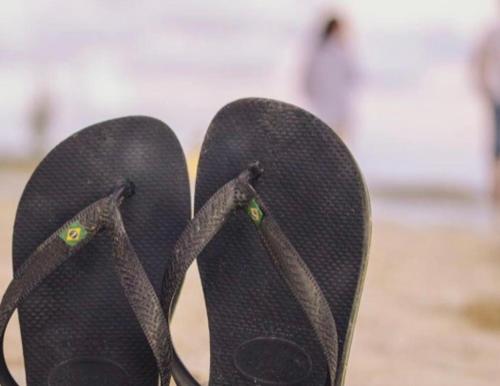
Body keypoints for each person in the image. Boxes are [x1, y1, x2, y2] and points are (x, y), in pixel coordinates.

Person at [304, 15, 358, 141]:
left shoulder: (342, 50)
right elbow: (308, 78)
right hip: (325, 103)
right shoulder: (320, 51)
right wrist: (313, 95)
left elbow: (353, 75)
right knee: (328, 140)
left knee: (340, 141)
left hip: (338, 103)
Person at [474, 11, 500, 204]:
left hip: (494, 93)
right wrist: (483, 86)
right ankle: (494, 197)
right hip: (496, 96)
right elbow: (479, 58)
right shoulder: (492, 30)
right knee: (496, 148)